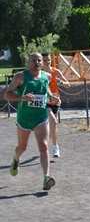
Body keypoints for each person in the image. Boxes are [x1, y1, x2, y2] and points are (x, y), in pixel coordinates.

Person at [4, 52, 61, 190]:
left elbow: (45, 90)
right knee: (22, 147)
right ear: (29, 63)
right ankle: (16, 159)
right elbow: (7, 95)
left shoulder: (46, 76)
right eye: (34, 60)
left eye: (39, 60)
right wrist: (22, 98)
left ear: (43, 62)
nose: (37, 63)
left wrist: (52, 98)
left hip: (41, 117)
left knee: (44, 147)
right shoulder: (21, 77)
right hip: (24, 118)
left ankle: (46, 177)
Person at [41, 52, 70, 158]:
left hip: (55, 102)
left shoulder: (55, 71)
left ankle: (50, 146)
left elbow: (68, 85)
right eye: (44, 60)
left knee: (53, 125)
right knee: (53, 121)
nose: (47, 62)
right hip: (45, 102)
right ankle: (55, 147)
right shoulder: (40, 74)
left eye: (48, 60)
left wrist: (61, 82)